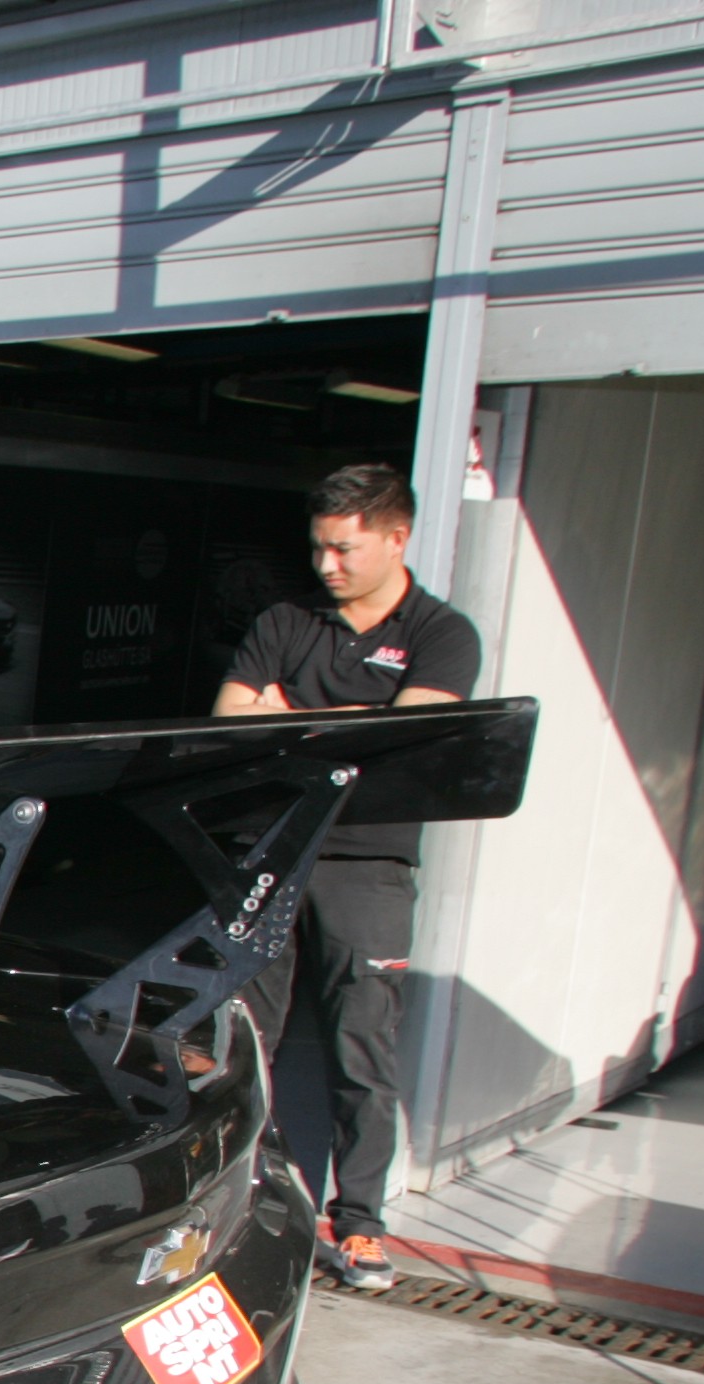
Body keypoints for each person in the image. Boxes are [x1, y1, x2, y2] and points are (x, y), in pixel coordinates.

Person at [213, 462, 481, 1295]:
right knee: (242, 1042)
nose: (326, 566)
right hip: (273, 850)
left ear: (397, 538)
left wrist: (288, 717)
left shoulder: (442, 633)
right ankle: (243, 1198)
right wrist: (351, 724)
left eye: (344, 550)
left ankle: (360, 1222)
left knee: (362, 1044)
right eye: (319, 548)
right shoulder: (286, 620)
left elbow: (403, 738)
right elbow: (228, 720)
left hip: (369, 863)